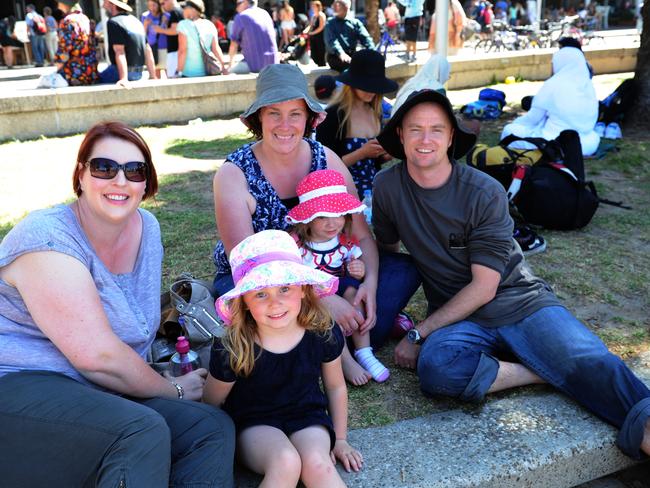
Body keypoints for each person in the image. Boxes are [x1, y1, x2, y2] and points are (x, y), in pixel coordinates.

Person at [373, 88, 650, 462]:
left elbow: (485, 287)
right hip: (461, 316)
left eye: (436, 129)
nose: (426, 140)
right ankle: (541, 370)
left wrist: (418, 331)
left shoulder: (483, 190)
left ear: (451, 137)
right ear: (400, 135)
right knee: (436, 370)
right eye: (415, 129)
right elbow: (389, 250)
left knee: (593, 362)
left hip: (519, 301)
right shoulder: (387, 187)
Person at [0, 121, 235, 487]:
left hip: (95, 396)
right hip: (18, 389)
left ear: (146, 183)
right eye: (104, 168)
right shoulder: (47, 237)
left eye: (135, 170)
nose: (120, 181)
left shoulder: (146, 228)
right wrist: (172, 390)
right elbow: (98, 357)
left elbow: (134, 334)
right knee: (141, 431)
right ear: (81, 175)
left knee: (210, 427)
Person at [212, 63, 421, 383]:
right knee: (264, 307)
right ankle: (338, 342)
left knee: (402, 270)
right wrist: (322, 297)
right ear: (258, 118)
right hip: (262, 283)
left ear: (310, 118)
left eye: (295, 113)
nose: (285, 124)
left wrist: (369, 285)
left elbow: (362, 236)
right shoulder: (234, 174)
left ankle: (325, 335)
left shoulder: (327, 159)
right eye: (273, 113)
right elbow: (248, 266)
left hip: (331, 266)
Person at [204, 230, 363, 486]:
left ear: (303, 289)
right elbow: (211, 403)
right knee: (285, 461)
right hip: (253, 423)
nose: (275, 303)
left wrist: (341, 439)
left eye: (285, 288)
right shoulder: (233, 345)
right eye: (260, 294)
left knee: (318, 463)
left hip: (307, 416)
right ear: (244, 301)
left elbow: (335, 386)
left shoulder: (323, 331)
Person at [287, 170, 391, 385]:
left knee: (354, 295)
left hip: (340, 284)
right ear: (307, 219)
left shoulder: (345, 241)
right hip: (311, 292)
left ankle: (364, 351)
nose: (332, 223)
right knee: (323, 316)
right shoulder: (296, 243)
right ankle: (344, 360)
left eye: (338, 215)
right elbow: (289, 270)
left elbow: (358, 261)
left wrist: (358, 268)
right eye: (322, 217)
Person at [316, 49, 397, 198]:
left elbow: (374, 162)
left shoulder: (375, 112)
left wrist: (385, 155)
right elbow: (324, 165)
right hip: (343, 194)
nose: (371, 91)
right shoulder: (334, 115)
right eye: (365, 85)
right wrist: (361, 153)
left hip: (374, 192)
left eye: (375, 86)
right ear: (352, 84)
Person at [501, 47, 600, 156]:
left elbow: (533, 119)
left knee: (509, 130)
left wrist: (516, 123)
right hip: (588, 144)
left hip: (556, 144)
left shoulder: (554, 84)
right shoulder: (589, 86)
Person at [99, 0, 157, 86]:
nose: (103, 6)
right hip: (138, 73)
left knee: (92, 80)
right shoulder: (136, 22)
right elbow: (148, 50)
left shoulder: (114, 22)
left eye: (105, 2)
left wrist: (123, 79)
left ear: (113, 5)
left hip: (121, 72)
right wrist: (153, 76)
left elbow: (120, 51)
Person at [176, 0, 227, 77]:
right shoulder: (209, 24)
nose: (182, 10)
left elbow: (183, 51)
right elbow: (216, 49)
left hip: (189, 73)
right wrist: (223, 67)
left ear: (192, 9)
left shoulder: (183, 24)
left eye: (184, 8)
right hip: (208, 72)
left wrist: (179, 72)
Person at [226, 0, 278, 74]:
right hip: (273, 62)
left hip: (255, 65)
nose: (236, 8)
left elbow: (234, 45)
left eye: (238, 4)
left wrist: (229, 65)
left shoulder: (241, 17)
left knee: (230, 72)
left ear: (246, 2)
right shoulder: (265, 14)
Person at [54, 0, 99, 86]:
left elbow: (64, 47)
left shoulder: (67, 21)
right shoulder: (85, 18)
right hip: (90, 71)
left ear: (65, 4)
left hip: (73, 73)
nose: (57, 5)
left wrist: (58, 68)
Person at [324, 0, 374, 72]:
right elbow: (332, 41)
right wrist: (341, 53)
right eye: (333, 5)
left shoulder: (355, 22)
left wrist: (373, 52)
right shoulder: (330, 23)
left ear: (346, 7)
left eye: (337, 5)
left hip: (352, 54)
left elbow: (366, 39)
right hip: (336, 56)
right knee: (349, 68)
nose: (334, 7)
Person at [154, 0, 183, 77]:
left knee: (172, 78)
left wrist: (160, 30)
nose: (162, 6)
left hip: (174, 51)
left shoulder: (174, 12)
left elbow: (175, 31)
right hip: (178, 51)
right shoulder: (180, 10)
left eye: (163, 3)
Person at [141, 0, 167, 78]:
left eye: (154, 5)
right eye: (149, 5)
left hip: (164, 47)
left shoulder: (165, 15)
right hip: (152, 48)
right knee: (155, 74)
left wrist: (164, 22)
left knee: (168, 72)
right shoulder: (145, 16)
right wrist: (145, 25)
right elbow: (142, 33)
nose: (152, 8)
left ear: (159, 5)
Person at [304, 0, 326, 66]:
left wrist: (312, 33)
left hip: (320, 37)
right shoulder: (314, 16)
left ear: (318, 7)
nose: (312, 7)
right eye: (312, 6)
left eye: (314, 6)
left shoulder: (321, 15)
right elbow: (310, 26)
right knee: (313, 53)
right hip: (313, 37)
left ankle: (322, 65)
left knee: (320, 53)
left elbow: (321, 27)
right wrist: (305, 32)